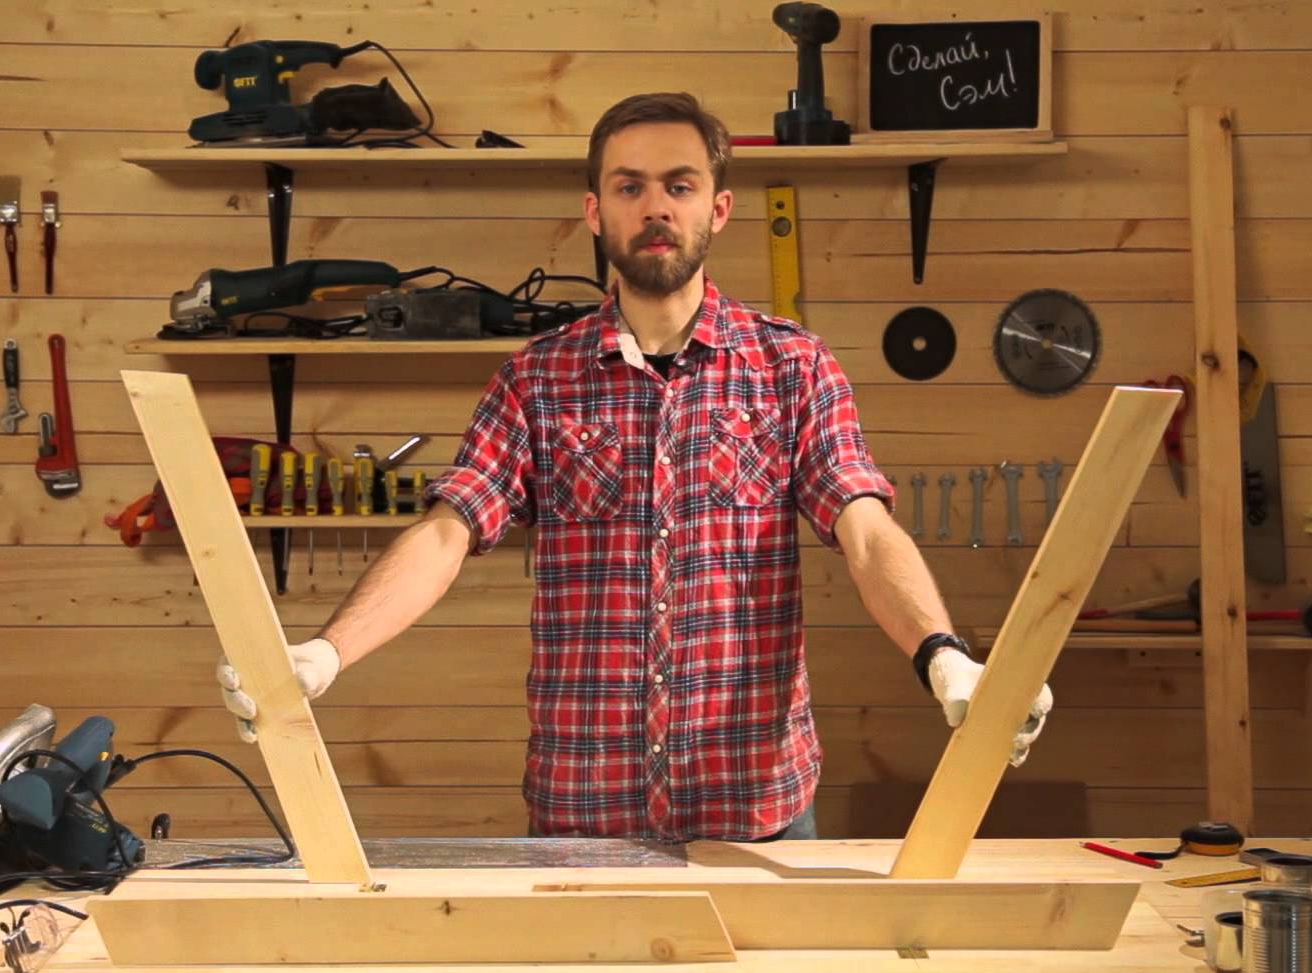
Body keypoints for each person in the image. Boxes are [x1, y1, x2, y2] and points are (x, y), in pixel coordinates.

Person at [217, 91, 1051, 842]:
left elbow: (863, 529)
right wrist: (323, 654)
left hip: (755, 808)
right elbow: (447, 532)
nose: (656, 207)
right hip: (583, 806)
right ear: (594, 209)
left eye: (680, 185)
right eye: (630, 186)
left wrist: (943, 655)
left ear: (719, 209)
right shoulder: (536, 377)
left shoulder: (794, 367)